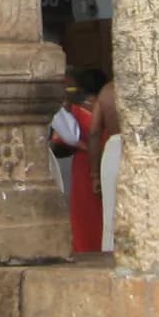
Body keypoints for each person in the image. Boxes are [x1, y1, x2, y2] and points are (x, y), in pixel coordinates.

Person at [52, 70, 105, 254]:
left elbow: (62, 141)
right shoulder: (101, 106)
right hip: (99, 162)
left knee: (85, 213)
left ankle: (87, 248)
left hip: (86, 165)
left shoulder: (78, 111)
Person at [89, 76, 121, 252]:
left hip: (113, 150)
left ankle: (109, 251)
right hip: (140, 148)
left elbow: (94, 132)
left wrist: (94, 174)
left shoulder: (106, 92)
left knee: (110, 210)